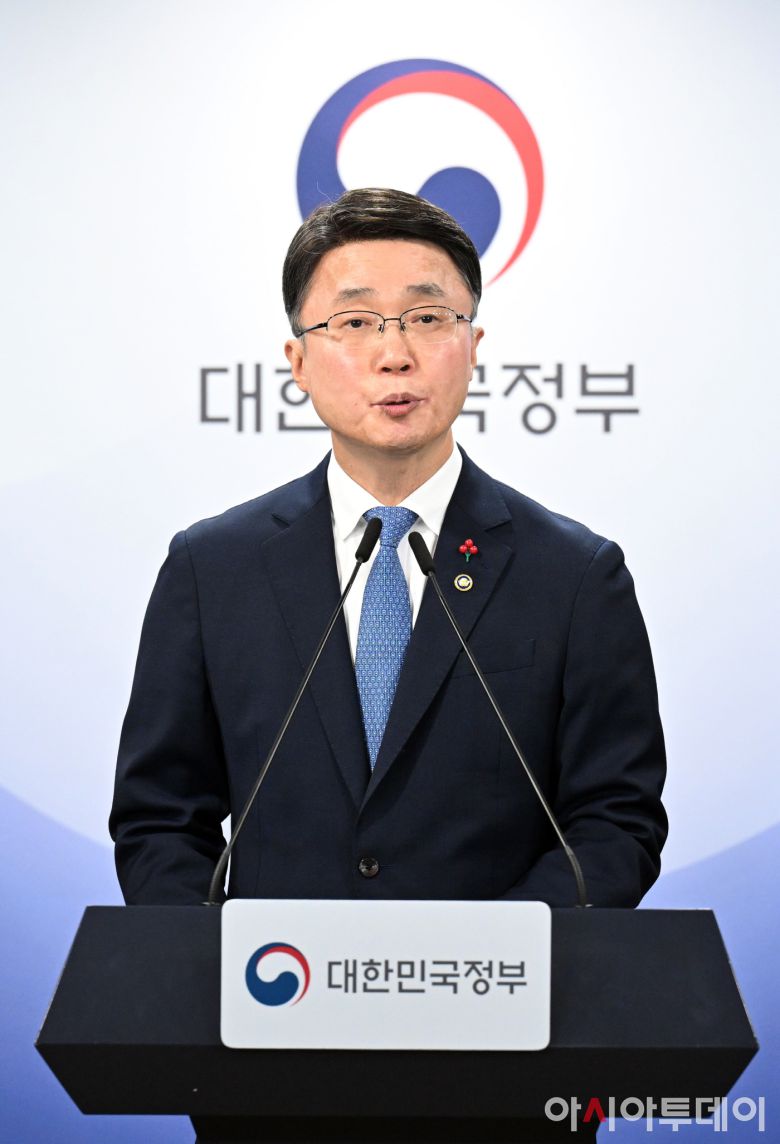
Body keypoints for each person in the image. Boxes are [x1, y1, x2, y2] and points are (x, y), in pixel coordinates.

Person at [109, 187, 667, 908]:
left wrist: (488, 954)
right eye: (355, 322)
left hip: (497, 975)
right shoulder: (212, 570)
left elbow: (615, 824)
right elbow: (160, 820)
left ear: (474, 348)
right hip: (273, 977)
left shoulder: (576, 576)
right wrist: (230, 958)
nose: (394, 355)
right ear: (298, 361)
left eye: (428, 318)